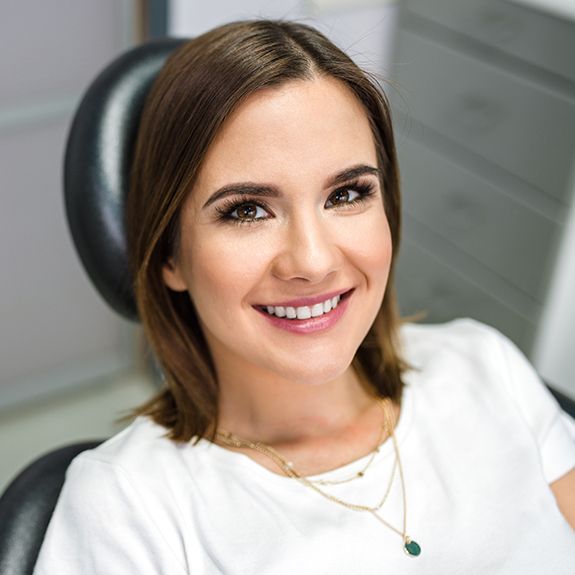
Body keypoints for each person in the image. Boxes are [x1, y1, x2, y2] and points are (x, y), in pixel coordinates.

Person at [34, 19, 575, 574]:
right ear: (170, 255)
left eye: (347, 194)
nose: (313, 261)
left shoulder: (486, 368)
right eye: (246, 210)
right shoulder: (125, 508)